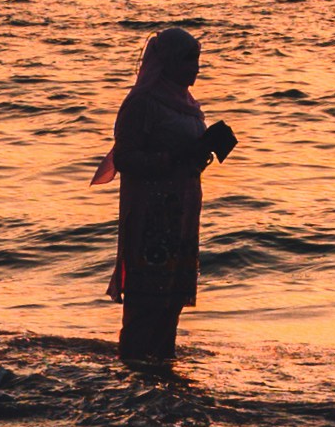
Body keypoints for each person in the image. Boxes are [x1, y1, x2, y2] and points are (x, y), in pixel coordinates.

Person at [96, 26, 235, 367]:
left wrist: (207, 149)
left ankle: (162, 367)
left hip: (182, 213)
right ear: (169, 62)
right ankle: (132, 369)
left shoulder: (187, 104)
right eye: (189, 60)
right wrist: (176, 157)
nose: (196, 68)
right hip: (150, 216)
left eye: (198, 60)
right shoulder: (142, 104)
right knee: (146, 301)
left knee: (171, 298)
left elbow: (188, 157)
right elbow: (126, 158)